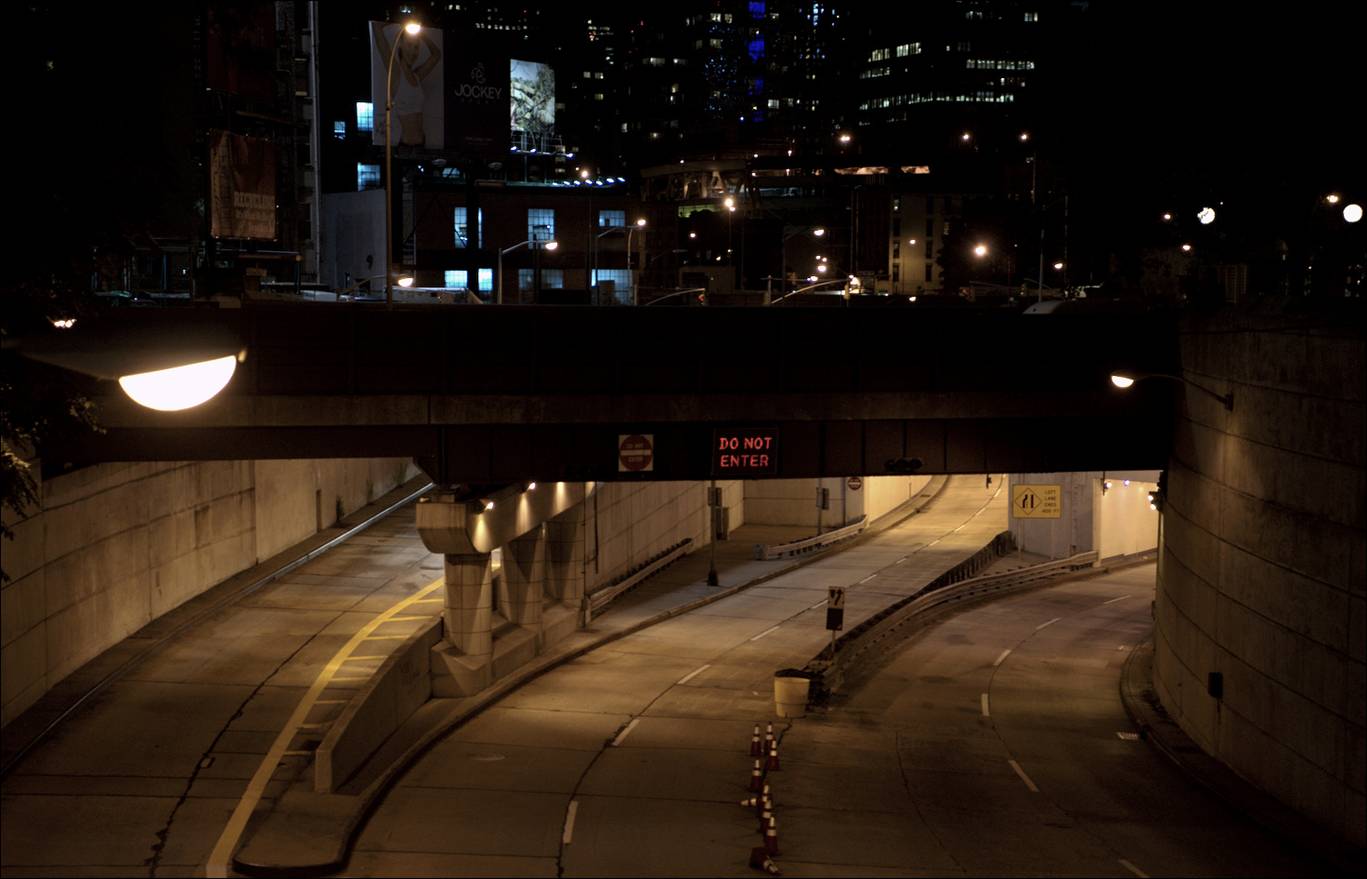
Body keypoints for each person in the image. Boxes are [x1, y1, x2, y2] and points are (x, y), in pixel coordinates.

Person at [373, 24, 442, 147]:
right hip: (405, 146)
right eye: (409, 45)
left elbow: (436, 55)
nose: (413, 51)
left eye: (416, 47)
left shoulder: (417, 76)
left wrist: (422, 34)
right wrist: (401, 21)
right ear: (400, 45)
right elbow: (377, 29)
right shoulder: (396, 72)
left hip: (422, 144)